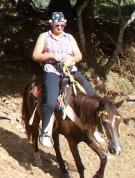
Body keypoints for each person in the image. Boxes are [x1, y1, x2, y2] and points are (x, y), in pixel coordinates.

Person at [31, 11, 100, 148]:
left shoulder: (69, 37)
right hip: (53, 70)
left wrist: (71, 60)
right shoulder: (44, 37)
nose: (60, 28)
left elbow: (79, 55)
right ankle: (45, 132)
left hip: (70, 71)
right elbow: (35, 55)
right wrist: (50, 55)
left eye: (62, 25)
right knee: (51, 101)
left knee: (94, 97)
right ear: (52, 24)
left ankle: (95, 128)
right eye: (57, 25)